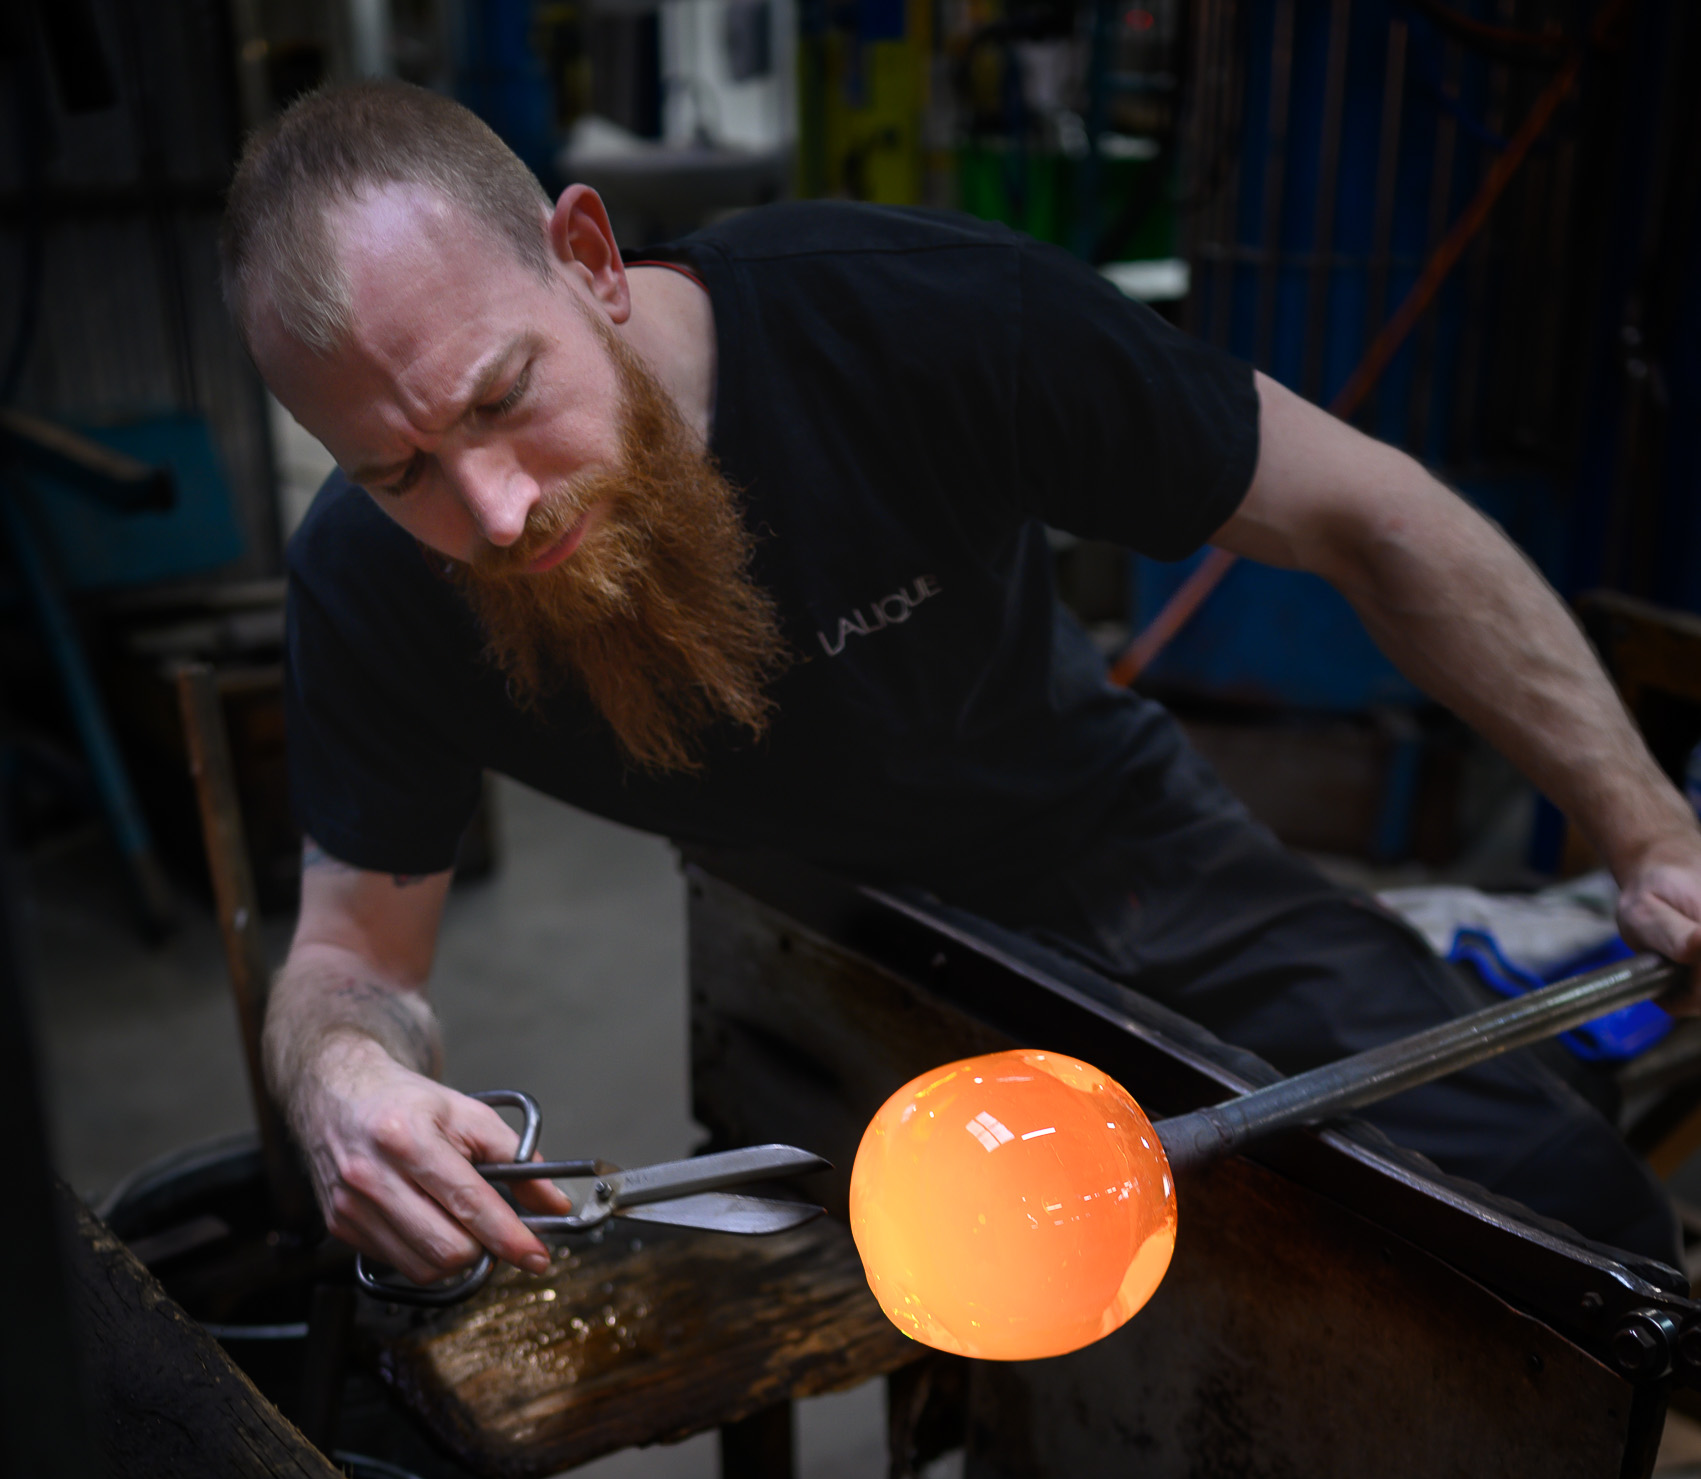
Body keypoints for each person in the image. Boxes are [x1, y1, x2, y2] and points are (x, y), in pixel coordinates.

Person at [220, 81, 1701, 1285]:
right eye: (398, 471)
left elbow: (1376, 517)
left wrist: (1650, 838)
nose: (491, 512)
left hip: (1108, 843)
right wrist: (342, 1077)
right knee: (1055, 1305)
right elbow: (355, 956)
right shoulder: (368, 582)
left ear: (592, 259)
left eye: (503, 397)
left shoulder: (920, 316)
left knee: (1569, 1217)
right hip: (818, 940)